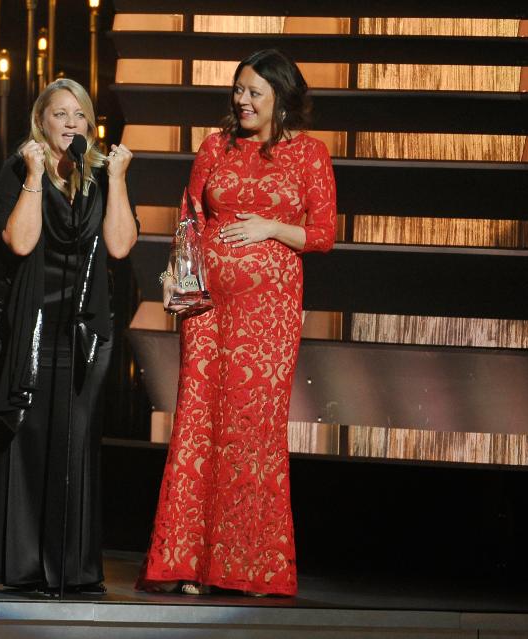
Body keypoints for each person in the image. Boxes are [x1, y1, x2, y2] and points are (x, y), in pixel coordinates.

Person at [139, 49, 336, 597]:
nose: (242, 101)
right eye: (239, 90)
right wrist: (178, 274)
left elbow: (321, 235)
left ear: (281, 98)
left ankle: (248, 567)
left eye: (254, 92)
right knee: (198, 425)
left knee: (252, 433)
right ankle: (190, 566)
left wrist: (269, 226)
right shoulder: (214, 146)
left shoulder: (310, 155)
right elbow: (190, 215)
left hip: (267, 314)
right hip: (207, 311)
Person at [0, 78, 138, 595]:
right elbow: (20, 241)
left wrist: (117, 179)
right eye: (60, 115)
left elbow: (118, 246)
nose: (71, 124)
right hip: (31, 325)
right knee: (28, 439)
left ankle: (71, 568)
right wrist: (32, 174)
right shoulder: (17, 169)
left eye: (80, 116)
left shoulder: (96, 176)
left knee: (76, 444)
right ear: (41, 120)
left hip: (87, 328)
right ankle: (23, 566)